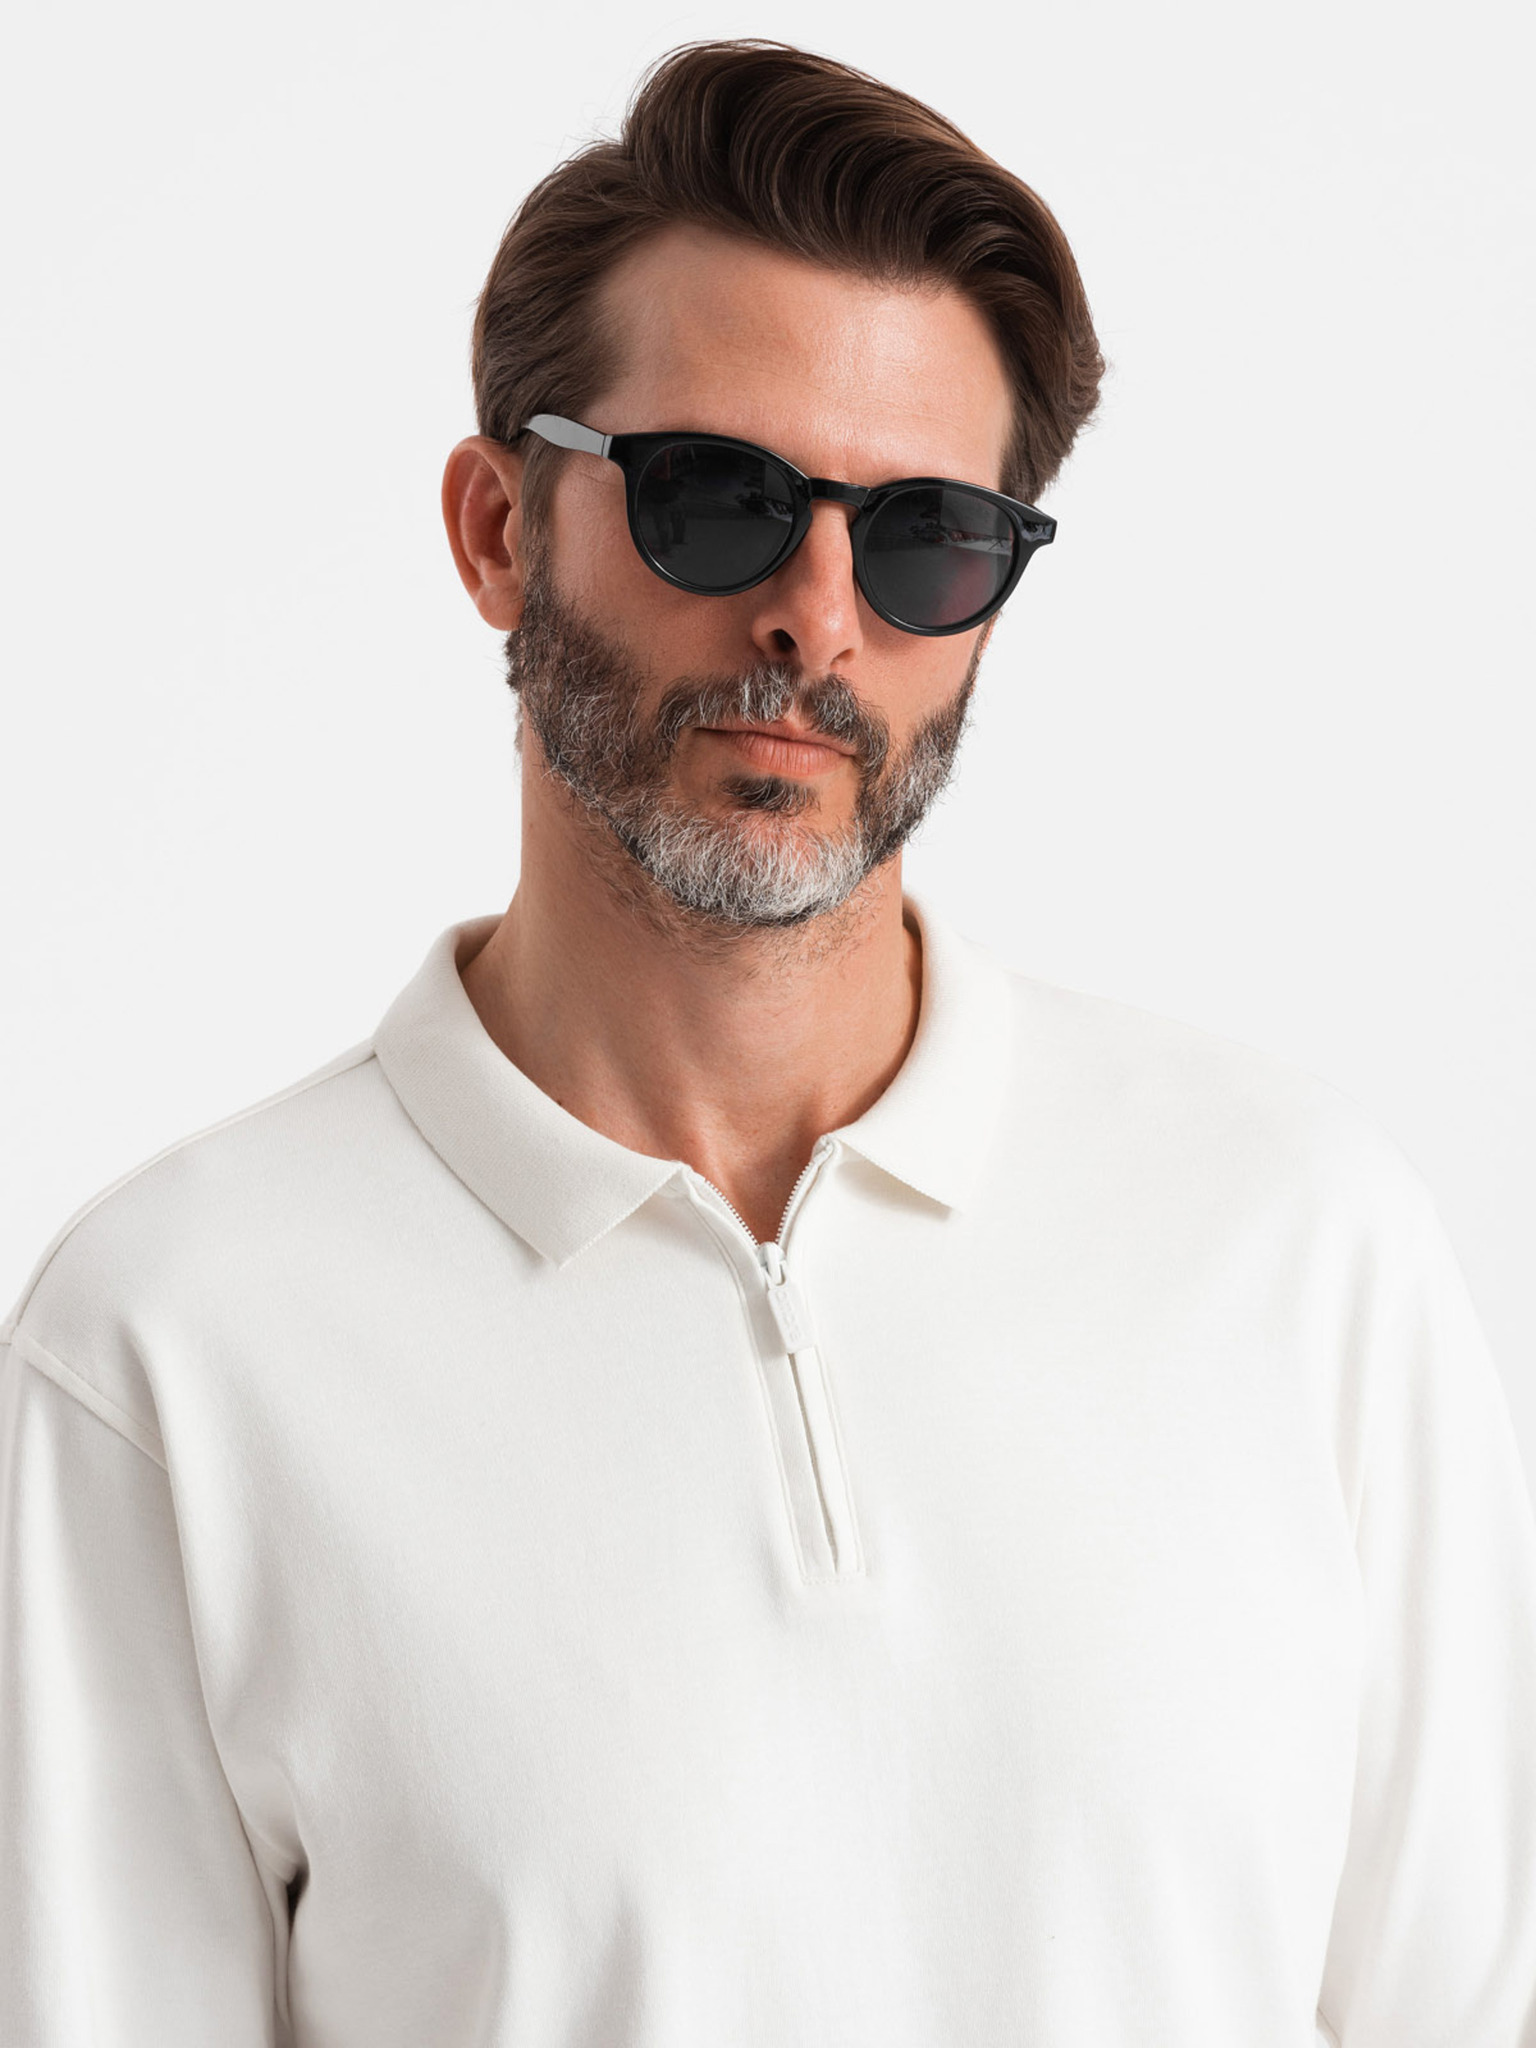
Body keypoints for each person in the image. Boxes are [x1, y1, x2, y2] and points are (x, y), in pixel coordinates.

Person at [2, 36, 1533, 2048]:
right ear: (496, 528)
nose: (817, 616)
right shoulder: (170, 1347)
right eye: (716, 500)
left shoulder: (1300, 1251)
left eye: (925, 537)